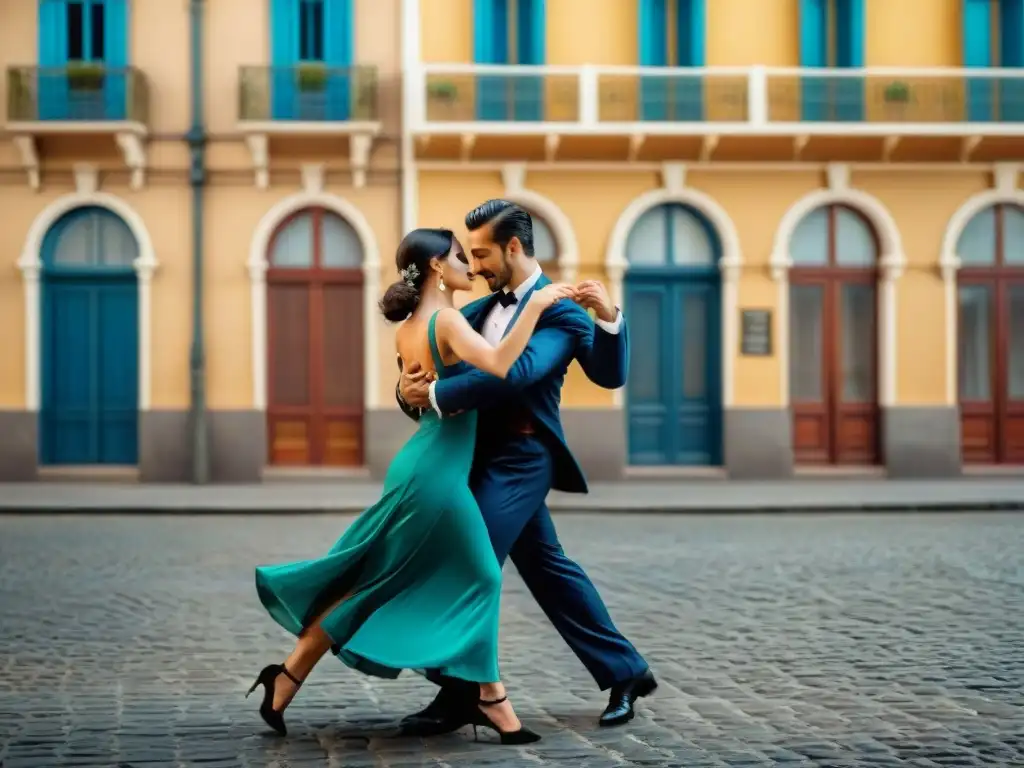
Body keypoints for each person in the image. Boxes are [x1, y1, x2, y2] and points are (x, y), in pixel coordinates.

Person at [248, 227, 577, 745]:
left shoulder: (409, 327)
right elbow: (498, 364)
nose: (470, 266)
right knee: (481, 579)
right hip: (437, 476)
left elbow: (421, 391)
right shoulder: (445, 319)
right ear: (437, 269)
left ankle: (286, 679)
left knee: (379, 581)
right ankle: (492, 701)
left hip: (423, 464)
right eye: (459, 258)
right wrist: (538, 305)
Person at [396, 200, 656, 734]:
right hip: (474, 459)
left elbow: (528, 372)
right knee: (547, 567)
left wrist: (608, 319)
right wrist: (406, 391)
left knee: (471, 561)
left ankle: (462, 692)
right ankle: (626, 672)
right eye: (469, 254)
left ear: (514, 247)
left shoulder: (558, 310)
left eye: (483, 253)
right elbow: (421, 369)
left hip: (523, 456)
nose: (476, 264)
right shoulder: (471, 313)